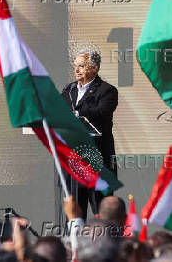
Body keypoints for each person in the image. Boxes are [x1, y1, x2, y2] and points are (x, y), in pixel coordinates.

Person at [61, 48, 118, 219]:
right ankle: (74, 244)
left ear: (94, 68)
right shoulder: (69, 90)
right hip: (73, 162)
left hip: (97, 161)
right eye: (75, 66)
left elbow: (102, 113)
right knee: (75, 215)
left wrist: (75, 114)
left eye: (81, 66)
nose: (76, 70)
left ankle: (105, 243)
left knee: (103, 215)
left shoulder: (107, 90)